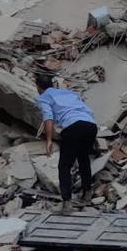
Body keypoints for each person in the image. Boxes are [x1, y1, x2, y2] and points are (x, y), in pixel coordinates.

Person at [36, 73, 98, 212]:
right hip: (90, 125)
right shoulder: (68, 93)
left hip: (72, 126)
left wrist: (49, 140)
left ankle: (67, 202)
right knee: (83, 158)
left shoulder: (44, 97)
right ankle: (87, 193)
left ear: (38, 88)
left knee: (64, 165)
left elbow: (48, 118)